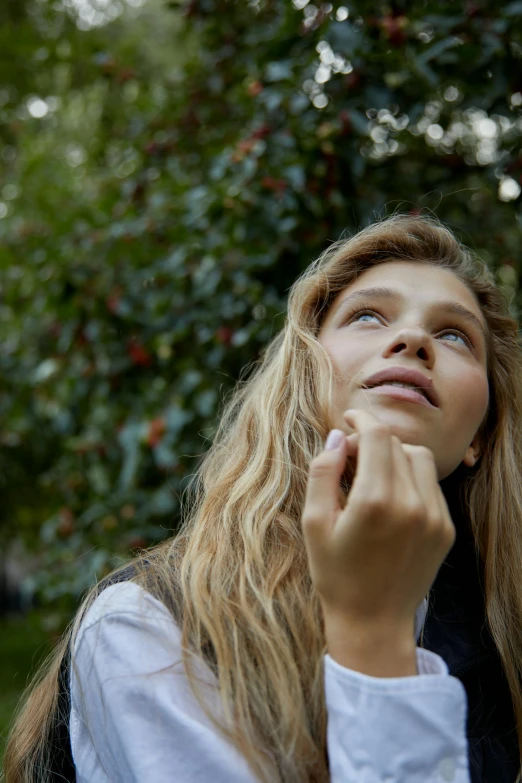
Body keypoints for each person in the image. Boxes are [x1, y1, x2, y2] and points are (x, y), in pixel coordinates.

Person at [3, 215, 522, 783]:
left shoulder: (508, 633)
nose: (414, 340)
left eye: (454, 336)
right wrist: (375, 633)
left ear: (478, 436)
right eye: (367, 316)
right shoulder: (152, 626)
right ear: (304, 370)